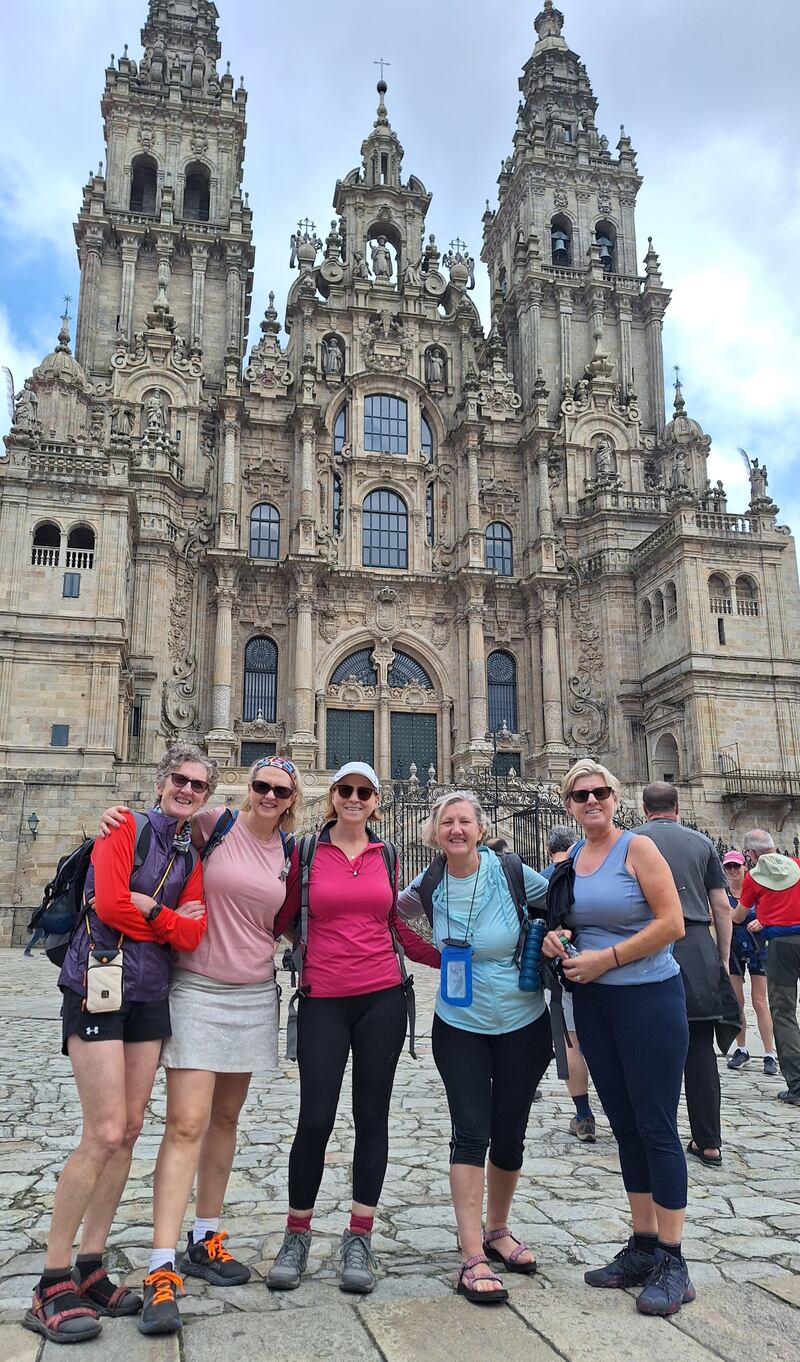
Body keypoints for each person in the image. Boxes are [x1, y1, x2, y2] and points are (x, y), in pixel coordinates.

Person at [97, 756, 303, 1337]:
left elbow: (291, 919)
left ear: (291, 798)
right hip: (197, 988)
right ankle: (162, 1265)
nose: (268, 794)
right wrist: (116, 817)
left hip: (253, 993)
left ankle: (205, 1238)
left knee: (226, 1121)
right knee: (186, 1122)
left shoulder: (291, 852)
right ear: (247, 787)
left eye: (279, 790)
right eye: (260, 784)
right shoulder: (214, 823)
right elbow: (161, 823)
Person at [24, 745, 212, 1345]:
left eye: (197, 785)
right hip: (97, 985)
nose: (186, 789)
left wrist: (155, 914)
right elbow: (107, 905)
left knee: (130, 1129)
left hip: (150, 995)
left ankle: (91, 1265)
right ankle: (50, 1280)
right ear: (160, 783)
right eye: (179, 779)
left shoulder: (192, 850)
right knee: (102, 1131)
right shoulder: (123, 827)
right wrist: (167, 922)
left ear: (205, 797)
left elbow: (194, 930)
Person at [266, 761, 438, 1296]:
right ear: (332, 796)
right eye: (346, 789)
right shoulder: (307, 852)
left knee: (372, 1118)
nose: (354, 798)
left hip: (383, 997)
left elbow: (393, 926)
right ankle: (297, 1233)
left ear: (376, 800)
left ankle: (359, 1234)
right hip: (323, 999)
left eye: (364, 791)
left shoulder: (387, 853)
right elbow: (282, 916)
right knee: (314, 1119)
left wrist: (449, 959)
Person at [542, 760, 692, 1317]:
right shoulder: (575, 859)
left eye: (600, 792)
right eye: (581, 795)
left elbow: (671, 922)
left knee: (656, 1126)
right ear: (568, 804)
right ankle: (643, 1244)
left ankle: (674, 1259)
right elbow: (572, 922)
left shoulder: (640, 848)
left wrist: (608, 957)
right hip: (597, 1003)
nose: (592, 801)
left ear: (616, 796)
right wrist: (561, 940)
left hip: (647, 998)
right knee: (625, 1125)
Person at [397, 791, 552, 1305]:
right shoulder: (430, 882)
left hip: (523, 1019)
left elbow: (557, 899)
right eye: (447, 822)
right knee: (472, 1132)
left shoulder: (509, 871)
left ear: (481, 830)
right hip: (460, 1023)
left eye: (465, 821)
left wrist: (556, 933)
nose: (456, 829)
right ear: (434, 833)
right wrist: (430, 956)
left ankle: (498, 1229)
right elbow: (389, 915)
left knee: (510, 1134)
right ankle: (471, 1254)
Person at [635, 783, 737, 1168]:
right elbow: (721, 906)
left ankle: (652, 1135)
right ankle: (709, 1142)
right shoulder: (701, 843)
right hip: (696, 945)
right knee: (699, 1049)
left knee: (644, 1048)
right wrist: (722, 957)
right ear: (677, 807)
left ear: (644, 808)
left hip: (646, 944)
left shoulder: (631, 841)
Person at [541, 825, 598, 1142]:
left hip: (568, 968)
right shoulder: (591, 872)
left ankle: (583, 1113)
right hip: (607, 967)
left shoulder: (549, 875)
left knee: (572, 1040)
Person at [738, 829, 800, 1106]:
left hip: (781, 947)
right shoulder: (798, 865)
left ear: (750, 855)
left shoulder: (752, 878)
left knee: (784, 1012)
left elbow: (739, 915)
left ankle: (797, 1084)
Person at [722, 849, 777, 1075]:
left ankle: (769, 1052)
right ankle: (742, 1049)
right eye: (729, 867)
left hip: (756, 947)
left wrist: (762, 922)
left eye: (737, 866)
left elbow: (771, 912)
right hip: (734, 947)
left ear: (744, 866)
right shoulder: (722, 893)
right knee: (737, 1001)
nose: (733, 871)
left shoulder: (755, 889)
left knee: (759, 1001)